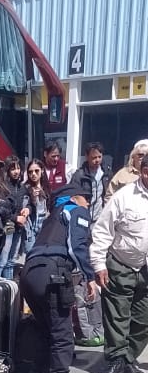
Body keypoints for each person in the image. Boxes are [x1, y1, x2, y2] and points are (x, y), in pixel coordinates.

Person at [19, 175, 97, 373]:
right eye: (86, 199)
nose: (88, 204)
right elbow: (77, 246)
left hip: (29, 273)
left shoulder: (51, 216)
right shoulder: (75, 211)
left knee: (46, 330)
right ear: (74, 198)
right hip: (52, 274)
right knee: (63, 335)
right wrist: (89, 276)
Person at [90, 152, 148, 373]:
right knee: (117, 316)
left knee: (143, 319)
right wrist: (99, 264)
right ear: (144, 171)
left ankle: (128, 358)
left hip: (145, 268)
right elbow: (103, 230)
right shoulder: (124, 196)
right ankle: (115, 360)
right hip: (120, 264)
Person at [71, 143, 109, 347]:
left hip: (99, 219)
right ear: (87, 157)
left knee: (97, 252)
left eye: (99, 157)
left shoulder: (105, 173)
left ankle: (94, 275)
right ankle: (87, 277)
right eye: (93, 157)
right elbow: (74, 196)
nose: (97, 160)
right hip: (85, 219)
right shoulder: (79, 175)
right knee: (83, 251)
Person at [0, 156, 30, 279]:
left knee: (12, 261)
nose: (16, 171)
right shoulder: (4, 186)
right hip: (8, 225)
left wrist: (28, 209)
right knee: (3, 259)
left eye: (18, 168)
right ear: (8, 170)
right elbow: (4, 209)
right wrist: (16, 218)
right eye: (13, 169)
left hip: (19, 227)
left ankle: (8, 288)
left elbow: (29, 202)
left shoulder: (22, 187)